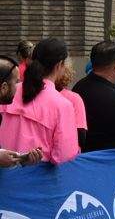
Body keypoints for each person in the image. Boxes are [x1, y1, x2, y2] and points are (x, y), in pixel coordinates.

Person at [0, 37, 80, 165]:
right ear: (59, 65)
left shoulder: (9, 91)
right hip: (36, 175)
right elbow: (64, 157)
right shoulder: (62, 105)